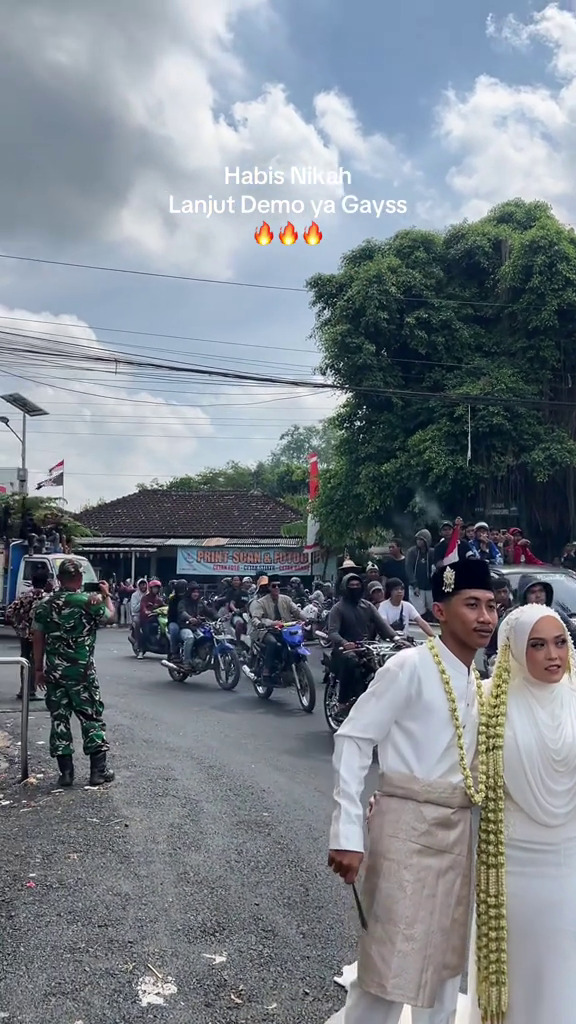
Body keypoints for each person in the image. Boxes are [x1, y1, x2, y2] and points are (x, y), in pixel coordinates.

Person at [328, 558, 498, 1024]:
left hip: (458, 831)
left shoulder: (478, 683)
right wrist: (346, 834)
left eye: (491, 606)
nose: (485, 617)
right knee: (391, 963)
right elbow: (354, 738)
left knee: (444, 963)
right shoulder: (409, 665)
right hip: (406, 828)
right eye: (472, 605)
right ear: (440, 612)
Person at [465, 604, 576, 1024]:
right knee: (521, 966)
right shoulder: (489, 700)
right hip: (513, 866)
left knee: (566, 966)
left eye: (561, 642)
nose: (553, 655)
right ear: (513, 650)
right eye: (538, 645)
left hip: (569, 863)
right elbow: (457, 767)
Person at [32, 559, 116, 787]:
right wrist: (106, 595)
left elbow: (37, 638)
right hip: (82, 673)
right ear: (79, 578)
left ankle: (66, 773)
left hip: (55, 674)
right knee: (91, 717)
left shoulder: (44, 605)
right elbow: (111, 617)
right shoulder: (89, 601)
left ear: (59, 579)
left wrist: (38, 669)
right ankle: (98, 772)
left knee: (59, 719)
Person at [326, 573, 399, 708]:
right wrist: (344, 643)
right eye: (351, 585)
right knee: (351, 661)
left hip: (366, 648)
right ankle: (342, 702)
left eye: (358, 585)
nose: (355, 587)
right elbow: (332, 632)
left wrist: (397, 639)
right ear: (344, 588)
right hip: (344, 650)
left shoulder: (368, 606)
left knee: (387, 665)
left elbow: (382, 625)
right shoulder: (338, 608)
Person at [6, 570, 51, 701]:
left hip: (25, 633)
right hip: (40, 633)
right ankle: (31, 690)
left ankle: (24, 689)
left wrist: (18, 625)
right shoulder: (47, 598)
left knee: (24, 660)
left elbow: (10, 612)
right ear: (46, 582)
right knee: (36, 660)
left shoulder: (25, 595)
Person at [250, 575, 305, 680]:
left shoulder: (286, 599)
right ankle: (267, 670)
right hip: (268, 630)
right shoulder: (261, 602)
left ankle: (293, 668)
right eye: (274, 586)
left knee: (297, 643)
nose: (276, 588)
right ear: (269, 588)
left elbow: (297, 611)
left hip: (285, 629)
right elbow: (256, 618)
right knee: (272, 643)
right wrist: (267, 623)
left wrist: (307, 619)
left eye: (278, 586)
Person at [177, 581, 215, 664]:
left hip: (197, 627)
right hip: (185, 626)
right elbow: (182, 612)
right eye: (194, 592)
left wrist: (220, 617)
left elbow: (209, 612)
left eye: (197, 592)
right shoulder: (183, 602)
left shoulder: (200, 603)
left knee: (207, 637)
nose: (196, 594)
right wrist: (190, 618)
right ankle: (186, 661)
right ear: (189, 592)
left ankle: (201, 656)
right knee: (190, 638)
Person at [405, 530, 434, 617]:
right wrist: (414, 584)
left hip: (430, 586)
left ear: (426, 541)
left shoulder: (432, 552)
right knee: (418, 611)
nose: (419, 541)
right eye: (417, 539)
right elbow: (408, 568)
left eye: (421, 539)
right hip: (416, 586)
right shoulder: (412, 552)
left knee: (433, 608)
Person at [138, 578, 164, 658]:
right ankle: (141, 650)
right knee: (146, 633)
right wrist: (146, 611)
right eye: (154, 588)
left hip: (156, 618)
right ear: (150, 588)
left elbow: (164, 606)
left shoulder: (159, 599)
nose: (156, 590)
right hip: (146, 619)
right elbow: (143, 607)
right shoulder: (145, 598)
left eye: (157, 588)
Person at [167, 579, 188, 657]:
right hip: (174, 621)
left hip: (187, 622)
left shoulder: (189, 599)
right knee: (174, 630)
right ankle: (174, 651)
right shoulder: (173, 599)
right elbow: (172, 614)